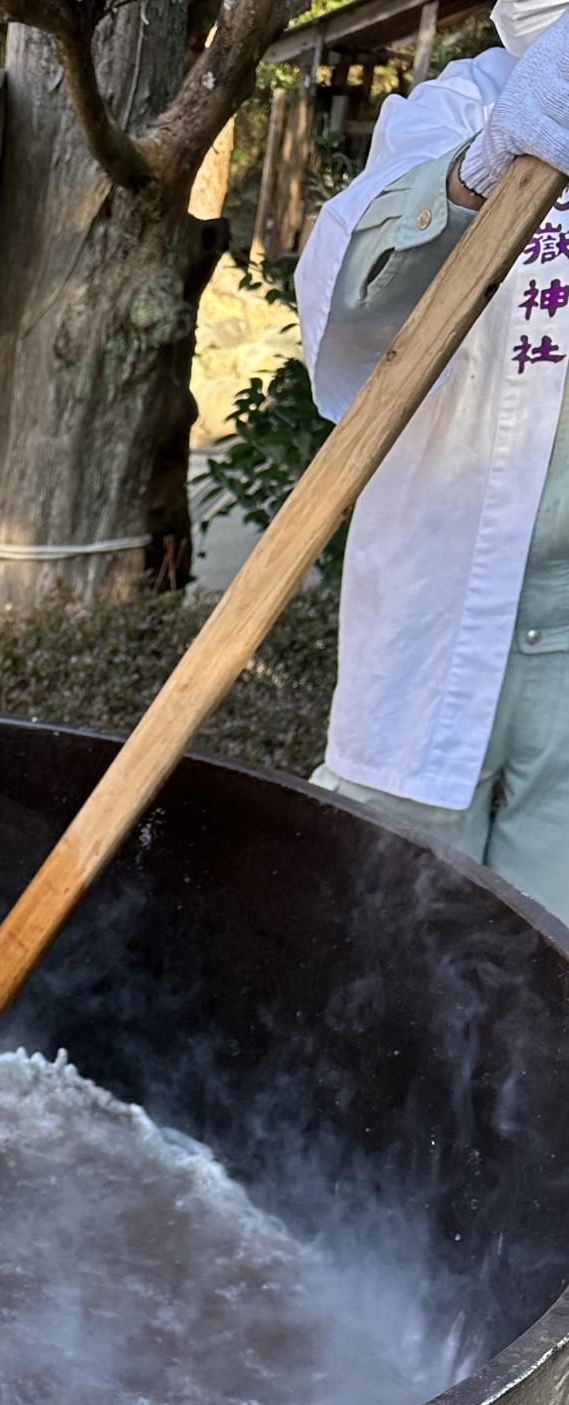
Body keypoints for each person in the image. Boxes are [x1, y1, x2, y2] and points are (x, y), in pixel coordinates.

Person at [296, 2, 569, 923]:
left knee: (550, 966)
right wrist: (479, 170)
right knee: (388, 937)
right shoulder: (456, 112)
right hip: (437, 608)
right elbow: (351, 302)